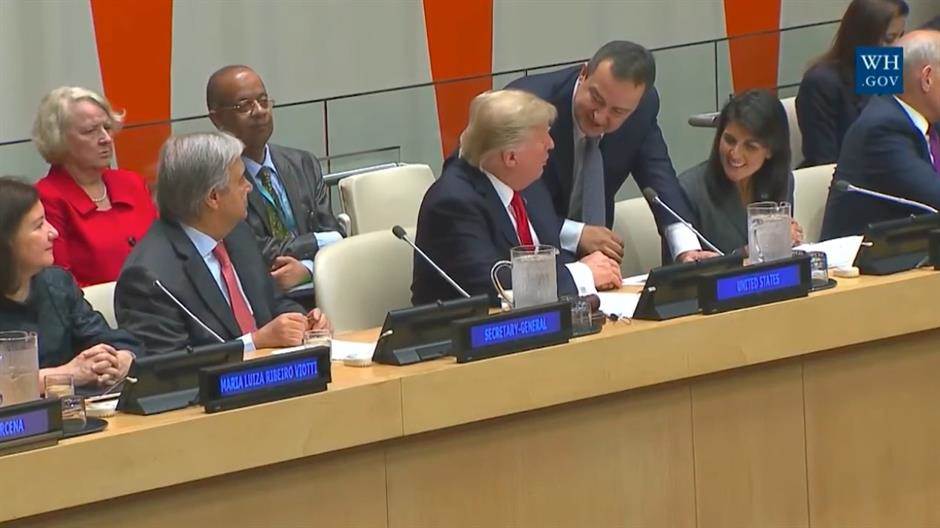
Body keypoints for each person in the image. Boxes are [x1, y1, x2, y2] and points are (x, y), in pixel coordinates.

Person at [114, 132, 330, 355]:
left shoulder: (237, 232)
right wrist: (254, 343)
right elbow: (170, 366)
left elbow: (274, 302)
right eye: (241, 180)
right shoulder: (149, 277)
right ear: (213, 197)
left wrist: (303, 321)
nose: (249, 187)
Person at [507, 40, 716, 265]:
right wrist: (577, 234)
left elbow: (660, 178)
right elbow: (514, 205)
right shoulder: (526, 106)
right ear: (584, 73)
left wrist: (687, 249)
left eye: (617, 111)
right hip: (529, 258)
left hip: (601, 261)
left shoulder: (642, 109)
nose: (599, 117)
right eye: (596, 99)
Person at [411, 89, 622, 306]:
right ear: (511, 157)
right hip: (468, 325)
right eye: (542, 137)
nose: (551, 144)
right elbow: (496, 287)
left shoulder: (529, 185)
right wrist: (581, 274)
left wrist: (596, 269)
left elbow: (552, 258)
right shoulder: (453, 203)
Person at [206, 65, 345, 295]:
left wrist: (308, 269)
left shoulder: (303, 163)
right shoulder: (217, 182)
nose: (260, 111)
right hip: (261, 299)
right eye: (244, 105)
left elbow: (335, 234)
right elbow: (255, 250)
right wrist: (315, 242)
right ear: (217, 118)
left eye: (263, 101)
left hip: (324, 289)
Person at [0, 177, 139, 387]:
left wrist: (120, 358)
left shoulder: (57, 283)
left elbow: (107, 338)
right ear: (6, 242)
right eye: (39, 226)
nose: (53, 232)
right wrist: (66, 374)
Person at [32, 86, 158, 287]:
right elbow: (59, 285)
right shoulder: (46, 198)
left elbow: (165, 251)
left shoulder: (131, 183)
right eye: (90, 131)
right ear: (58, 138)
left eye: (107, 127)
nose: (106, 139)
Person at [821, 29, 940, 239]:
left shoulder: (925, 121)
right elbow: (934, 196)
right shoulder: (881, 129)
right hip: (864, 256)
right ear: (927, 79)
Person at [679, 90, 803, 254]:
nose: (735, 154)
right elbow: (683, 267)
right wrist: (750, 250)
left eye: (750, 146)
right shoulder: (689, 190)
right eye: (729, 140)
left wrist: (789, 239)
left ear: (770, 150)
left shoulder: (782, 180)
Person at [796, 0, 909, 167]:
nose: (899, 47)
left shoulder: (885, 69)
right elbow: (824, 159)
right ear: (863, 37)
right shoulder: (821, 83)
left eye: (901, 36)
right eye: (889, 39)